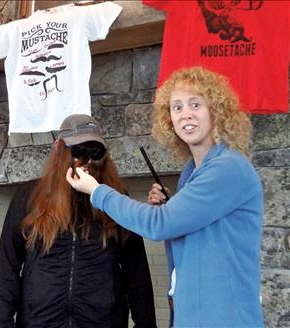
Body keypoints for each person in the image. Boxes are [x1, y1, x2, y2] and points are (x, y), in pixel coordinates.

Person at [66, 67, 264, 328]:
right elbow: (189, 231)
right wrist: (172, 207)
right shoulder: (192, 173)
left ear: (216, 110)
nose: (186, 114)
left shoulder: (228, 167)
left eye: (196, 104)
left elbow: (159, 224)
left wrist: (97, 191)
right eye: (177, 107)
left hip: (226, 317)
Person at [0, 114, 157, 328]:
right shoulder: (29, 196)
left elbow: (137, 273)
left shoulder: (113, 199)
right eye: (78, 150)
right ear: (58, 147)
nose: (87, 160)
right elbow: (7, 269)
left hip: (103, 321)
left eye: (95, 152)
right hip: (39, 321)